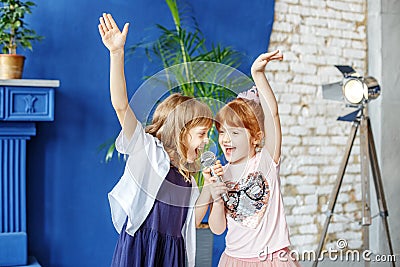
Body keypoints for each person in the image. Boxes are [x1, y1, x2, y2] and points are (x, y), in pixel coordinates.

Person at [98, 13, 216, 267]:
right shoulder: (148, 151)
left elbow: (194, 222)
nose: (206, 141)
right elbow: (120, 106)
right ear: (181, 131)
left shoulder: (188, 178)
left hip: (172, 256)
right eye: (201, 134)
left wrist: (208, 185)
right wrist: (116, 54)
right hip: (140, 251)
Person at [207, 51, 301, 266]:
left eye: (236, 133)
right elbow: (218, 228)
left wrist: (258, 74)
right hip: (233, 259)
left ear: (256, 137)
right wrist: (216, 198)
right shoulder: (222, 172)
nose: (226, 139)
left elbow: (272, 115)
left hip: (271, 259)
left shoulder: (265, 161)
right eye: (222, 132)